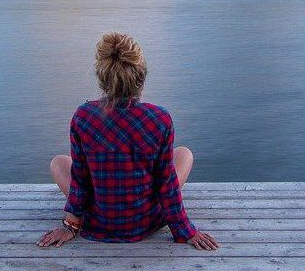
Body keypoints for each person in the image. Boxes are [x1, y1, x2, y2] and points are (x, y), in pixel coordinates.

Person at [38, 33, 220, 251]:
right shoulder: (159, 119)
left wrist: (71, 225)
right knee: (184, 154)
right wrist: (184, 230)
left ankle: (88, 215)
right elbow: (166, 182)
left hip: (98, 221)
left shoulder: (83, 116)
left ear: (102, 78)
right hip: (143, 222)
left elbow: (80, 178)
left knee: (59, 162)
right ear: (141, 76)